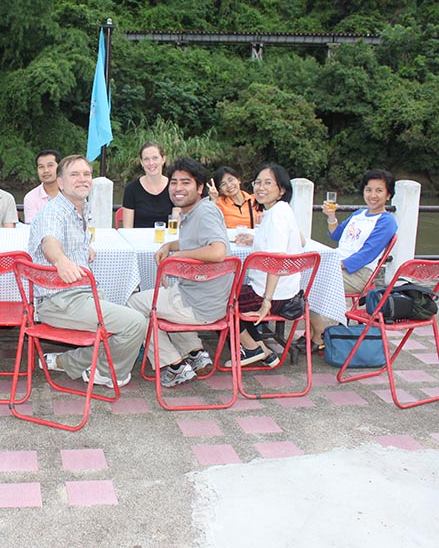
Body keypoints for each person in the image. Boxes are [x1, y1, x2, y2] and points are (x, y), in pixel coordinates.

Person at [28, 154, 145, 388]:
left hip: (80, 294)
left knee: (124, 321)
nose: (83, 179)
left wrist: (82, 248)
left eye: (86, 174)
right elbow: (49, 241)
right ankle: (105, 373)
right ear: (60, 182)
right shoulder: (54, 211)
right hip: (60, 301)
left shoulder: (79, 208)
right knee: (136, 323)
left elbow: (64, 237)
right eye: (74, 174)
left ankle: (66, 362)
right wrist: (61, 261)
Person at [127, 158, 232, 387]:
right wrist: (170, 246)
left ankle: (173, 365)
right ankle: (194, 352)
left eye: (186, 182)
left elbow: (218, 251)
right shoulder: (193, 212)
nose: (178, 188)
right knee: (160, 297)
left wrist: (176, 259)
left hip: (198, 303)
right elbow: (191, 242)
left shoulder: (206, 212)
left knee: (134, 305)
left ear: (200, 187)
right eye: (174, 183)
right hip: (206, 298)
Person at [305, 169, 398, 347]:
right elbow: (336, 235)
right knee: (302, 277)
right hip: (337, 266)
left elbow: (367, 254)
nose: (373, 195)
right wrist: (331, 216)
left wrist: (335, 265)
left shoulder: (386, 221)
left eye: (379, 191)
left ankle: (320, 332)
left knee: (310, 283)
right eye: (368, 190)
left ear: (388, 195)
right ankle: (314, 332)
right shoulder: (359, 214)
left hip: (359, 273)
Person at [231, 163, 302, 367]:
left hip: (273, 294)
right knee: (228, 293)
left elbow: (277, 261)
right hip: (289, 291)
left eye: (268, 183)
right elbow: (300, 240)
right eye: (257, 183)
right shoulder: (281, 210)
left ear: (281, 190)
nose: (260, 188)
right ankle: (264, 351)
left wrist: (266, 302)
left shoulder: (277, 215)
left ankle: (251, 348)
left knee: (218, 301)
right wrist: (255, 239)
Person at [121, 142, 174, 228]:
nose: (151, 163)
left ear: (163, 159)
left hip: (168, 240)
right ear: (141, 163)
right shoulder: (131, 189)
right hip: (138, 240)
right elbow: (127, 229)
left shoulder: (174, 187)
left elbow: (176, 226)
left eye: (155, 158)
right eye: (146, 159)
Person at [23, 149, 61, 224]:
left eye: (50, 165)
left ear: (60, 167)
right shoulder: (31, 198)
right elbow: (33, 228)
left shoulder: (72, 193)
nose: (46, 170)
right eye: (41, 167)